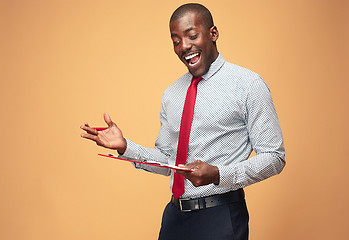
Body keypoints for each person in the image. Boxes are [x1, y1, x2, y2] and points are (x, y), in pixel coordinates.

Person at [81, 3, 285, 240]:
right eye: (176, 40)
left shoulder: (248, 85)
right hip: (175, 218)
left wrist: (219, 174)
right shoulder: (172, 94)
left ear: (213, 33)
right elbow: (168, 161)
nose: (184, 46)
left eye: (191, 35)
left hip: (221, 216)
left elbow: (274, 157)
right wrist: (126, 147)